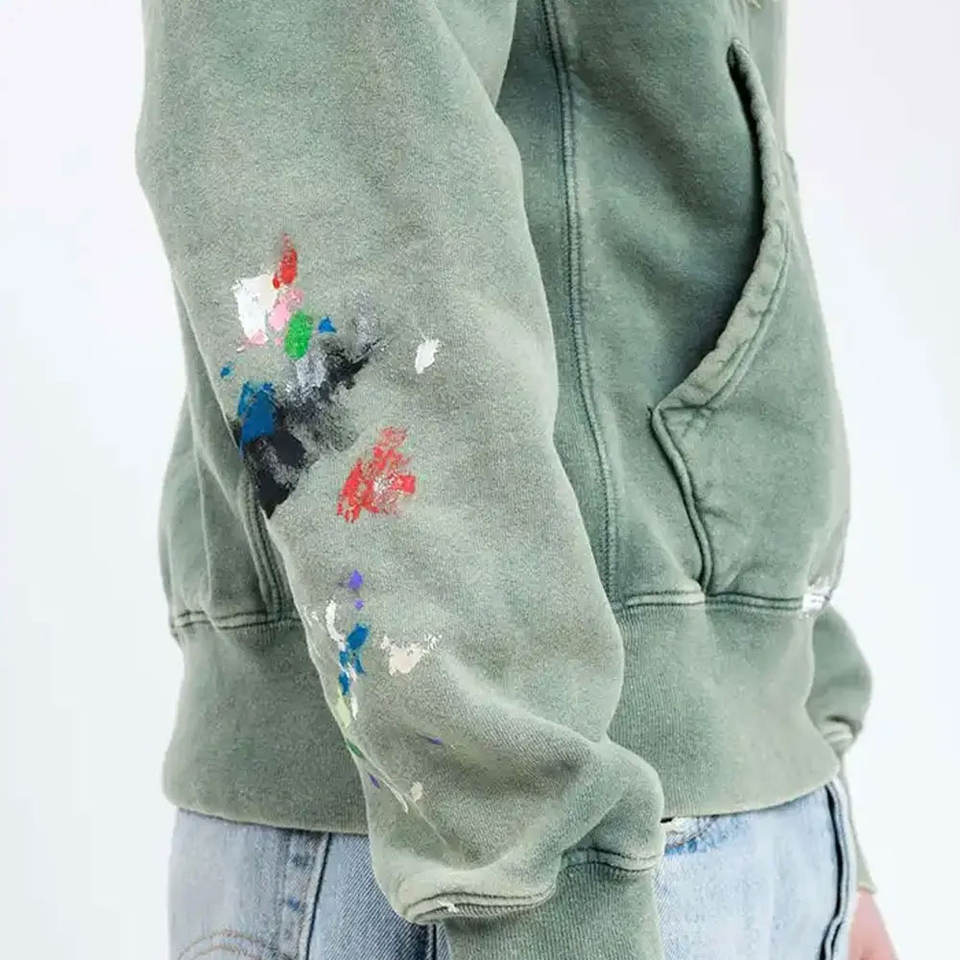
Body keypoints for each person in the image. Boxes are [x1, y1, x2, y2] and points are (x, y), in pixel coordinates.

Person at [135, 1, 896, 958]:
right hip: (501, 845)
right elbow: (329, 167)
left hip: (743, 821)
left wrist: (803, 758)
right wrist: (537, 896)